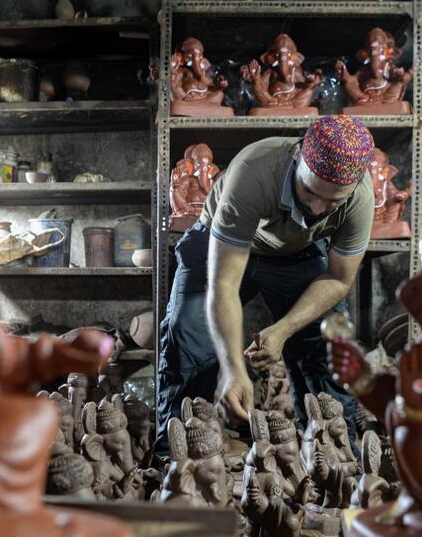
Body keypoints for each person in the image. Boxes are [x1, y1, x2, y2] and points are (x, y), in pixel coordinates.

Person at [156, 115, 375, 455]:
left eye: (333, 202)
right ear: (298, 155)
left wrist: (285, 328)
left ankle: (331, 456)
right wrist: (232, 369)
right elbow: (223, 284)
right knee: (189, 335)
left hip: (294, 251)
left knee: (325, 341)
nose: (318, 209)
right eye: (311, 192)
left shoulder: (360, 198)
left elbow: (339, 277)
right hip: (219, 246)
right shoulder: (254, 172)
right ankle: (178, 457)